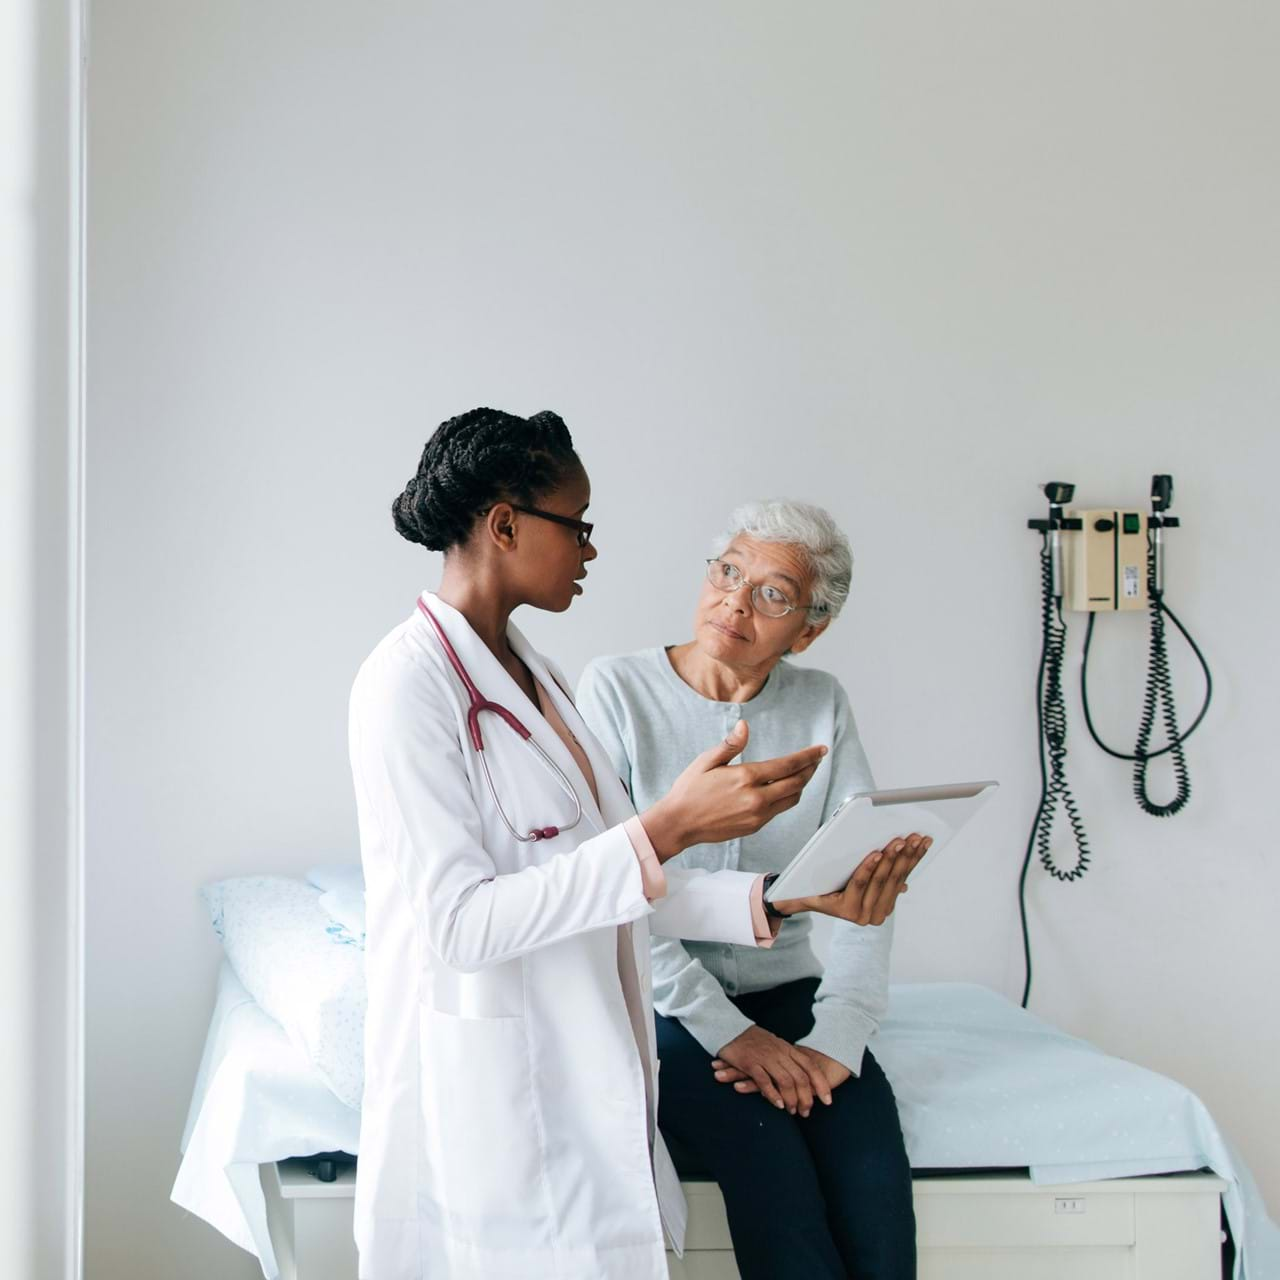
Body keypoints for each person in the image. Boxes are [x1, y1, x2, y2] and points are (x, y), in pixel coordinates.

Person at [346, 411, 923, 1280]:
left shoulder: (535, 675)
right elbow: (460, 925)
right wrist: (670, 827)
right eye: (576, 526)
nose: (590, 550)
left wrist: (784, 899)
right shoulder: (407, 684)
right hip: (502, 1076)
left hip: (589, 1048)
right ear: (505, 525)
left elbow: (616, 877)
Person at [577, 499, 920, 1279]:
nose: (735, 599)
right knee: (777, 1184)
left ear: (808, 628)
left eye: (772, 592)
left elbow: (868, 882)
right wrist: (729, 1033)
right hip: (663, 1005)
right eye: (728, 570)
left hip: (788, 988)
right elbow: (614, 890)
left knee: (872, 1184)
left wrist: (838, 1038)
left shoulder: (820, 701)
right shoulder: (616, 691)